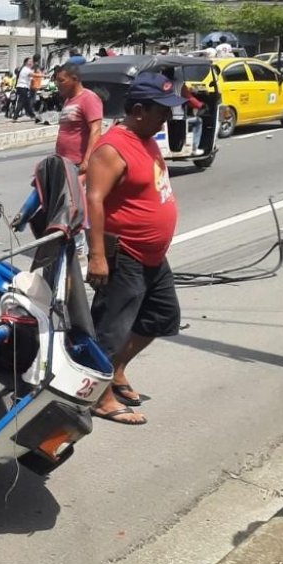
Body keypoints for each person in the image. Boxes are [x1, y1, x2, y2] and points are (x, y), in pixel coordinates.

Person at [83, 72, 184, 426]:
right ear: (139, 110)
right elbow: (93, 200)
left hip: (154, 255)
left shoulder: (147, 137)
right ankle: (99, 396)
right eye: (162, 111)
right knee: (109, 331)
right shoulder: (112, 148)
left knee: (162, 317)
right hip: (125, 255)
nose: (167, 118)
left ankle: (116, 369)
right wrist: (97, 256)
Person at [54, 63, 104, 173]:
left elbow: (96, 130)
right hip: (63, 162)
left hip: (78, 164)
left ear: (74, 79)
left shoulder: (88, 98)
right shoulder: (68, 100)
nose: (58, 85)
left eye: (61, 81)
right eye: (56, 81)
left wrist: (87, 161)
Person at [13, 57, 36, 122]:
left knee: (27, 103)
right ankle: (15, 117)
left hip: (23, 87)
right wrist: (44, 75)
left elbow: (31, 78)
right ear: (26, 62)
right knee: (21, 102)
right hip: (22, 87)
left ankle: (32, 115)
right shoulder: (26, 69)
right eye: (30, 61)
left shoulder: (27, 69)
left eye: (32, 61)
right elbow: (34, 75)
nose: (31, 63)